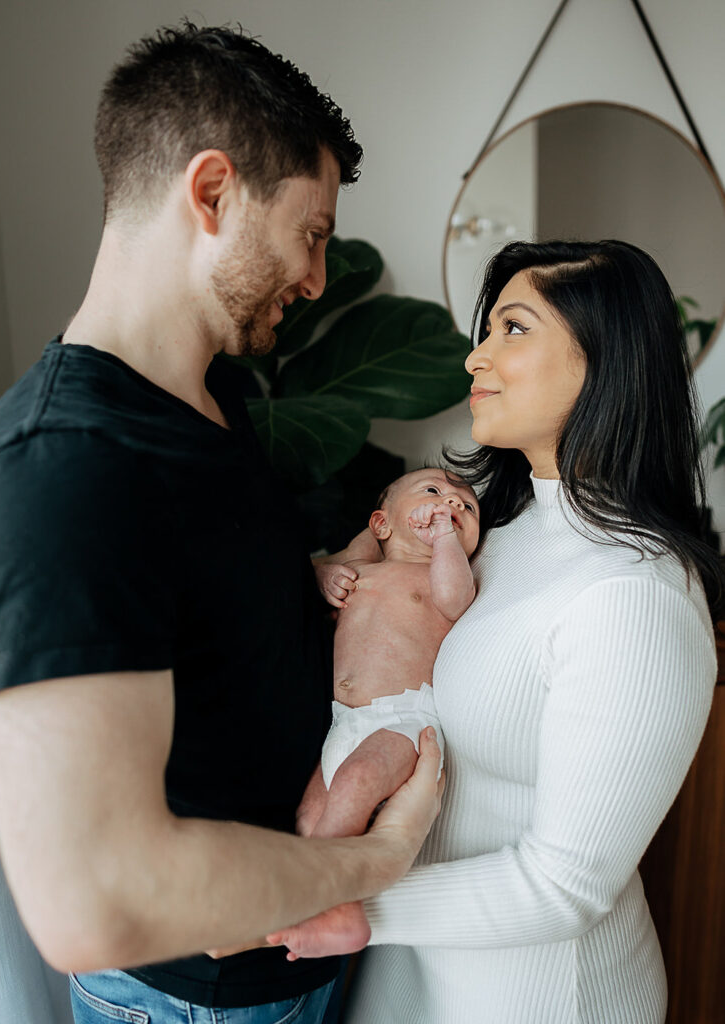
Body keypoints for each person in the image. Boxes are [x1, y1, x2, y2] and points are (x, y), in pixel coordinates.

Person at [0, 22, 443, 1024]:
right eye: (310, 232)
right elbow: (95, 899)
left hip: (285, 960)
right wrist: (378, 854)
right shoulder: (62, 466)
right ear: (212, 191)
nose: (318, 278)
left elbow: (205, 603)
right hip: (200, 1003)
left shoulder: (210, 393)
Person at [276, 240, 724, 1023]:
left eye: (512, 329)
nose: (474, 357)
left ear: (606, 361)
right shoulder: (498, 536)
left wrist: (345, 906)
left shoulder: (636, 595)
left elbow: (567, 886)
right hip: (409, 968)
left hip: (535, 993)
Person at [268, 468, 479, 960]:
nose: (450, 502)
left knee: (358, 783)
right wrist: (325, 577)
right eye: (433, 491)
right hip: (346, 723)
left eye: (467, 508)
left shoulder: (436, 579)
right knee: (311, 813)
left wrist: (445, 537)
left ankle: (331, 906)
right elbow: (322, 575)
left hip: (405, 719)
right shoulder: (363, 571)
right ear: (382, 525)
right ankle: (325, 904)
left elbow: (456, 597)